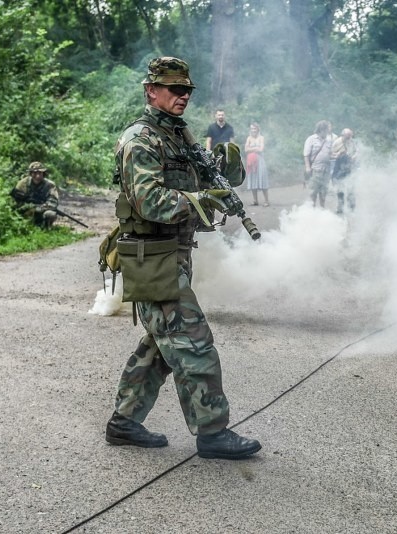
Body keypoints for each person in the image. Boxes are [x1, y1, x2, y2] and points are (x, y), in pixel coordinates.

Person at [105, 56, 261, 460]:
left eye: (187, 90)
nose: (183, 96)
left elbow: (210, 182)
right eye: (175, 89)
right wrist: (203, 202)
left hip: (171, 254)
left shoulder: (178, 136)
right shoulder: (142, 139)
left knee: (161, 346)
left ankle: (124, 422)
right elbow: (149, 202)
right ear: (151, 90)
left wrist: (223, 171)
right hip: (151, 257)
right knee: (193, 343)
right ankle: (212, 432)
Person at [9, 161, 59, 228]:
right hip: (25, 210)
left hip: (41, 211)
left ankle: (45, 228)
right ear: (30, 173)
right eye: (34, 173)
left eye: (40, 173)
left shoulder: (50, 185)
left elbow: (53, 203)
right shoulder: (23, 183)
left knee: (50, 214)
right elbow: (14, 201)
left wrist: (37, 208)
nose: (37, 176)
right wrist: (26, 206)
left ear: (43, 173)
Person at [303, 120, 333, 208]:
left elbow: (329, 154)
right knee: (313, 192)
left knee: (323, 192)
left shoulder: (328, 141)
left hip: (326, 170)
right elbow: (306, 155)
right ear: (322, 129)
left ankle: (322, 210)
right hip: (315, 170)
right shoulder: (311, 139)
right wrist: (307, 167)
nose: (328, 132)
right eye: (327, 130)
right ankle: (312, 210)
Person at [329, 127, 357, 214]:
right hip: (339, 167)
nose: (349, 138)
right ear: (343, 135)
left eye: (350, 136)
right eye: (347, 136)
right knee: (339, 187)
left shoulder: (352, 142)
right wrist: (337, 155)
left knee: (350, 187)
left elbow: (357, 151)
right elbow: (330, 154)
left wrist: (353, 157)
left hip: (349, 167)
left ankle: (351, 207)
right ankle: (340, 207)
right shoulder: (337, 142)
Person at [244, 122, 270, 206]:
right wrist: (255, 148)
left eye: (254, 128)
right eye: (252, 129)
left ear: (258, 129)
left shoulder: (261, 138)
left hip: (260, 161)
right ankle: (255, 200)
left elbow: (261, 149)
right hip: (251, 161)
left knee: (262, 178)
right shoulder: (249, 138)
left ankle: (266, 200)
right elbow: (246, 150)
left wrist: (251, 148)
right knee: (252, 179)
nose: (253, 130)